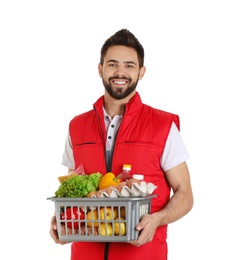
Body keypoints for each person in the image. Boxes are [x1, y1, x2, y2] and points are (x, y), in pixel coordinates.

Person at [49, 28, 193, 260]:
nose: (120, 72)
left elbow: (185, 194)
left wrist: (157, 220)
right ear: (100, 69)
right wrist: (64, 220)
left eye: (129, 65)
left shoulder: (163, 126)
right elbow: (73, 189)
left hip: (143, 254)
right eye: (113, 64)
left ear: (141, 72)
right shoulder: (77, 126)